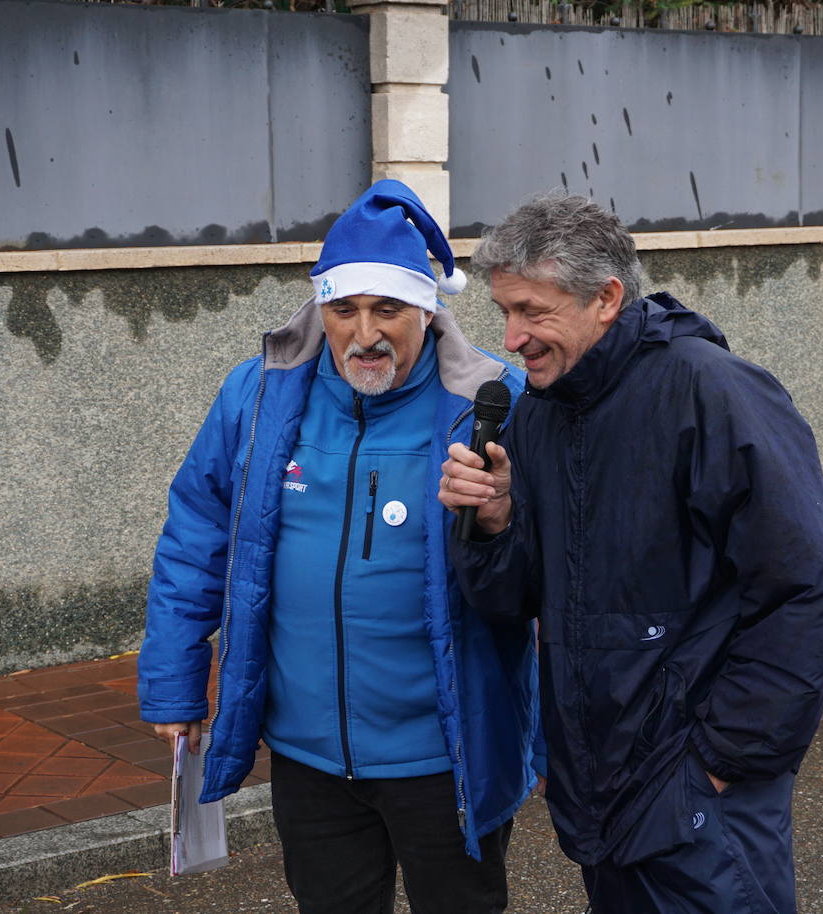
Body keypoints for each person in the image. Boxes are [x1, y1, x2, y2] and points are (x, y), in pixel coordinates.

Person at [138, 180, 539, 914]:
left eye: (387, 308)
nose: (364, 334)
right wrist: (174, 678)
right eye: (344, 309)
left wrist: (500, 520)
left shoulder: (494, 403)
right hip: (308, 753)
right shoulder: (258, 394)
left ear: (427, 306)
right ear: (318, 306)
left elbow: (543, 570)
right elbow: (196, 533)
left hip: (442, 752)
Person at [438, 192, 823, 914]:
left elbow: (800, 591)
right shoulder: (540, 414)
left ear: (607, 299)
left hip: (698, 796)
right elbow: (515, 599)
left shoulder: (709, 391)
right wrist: (495, 522)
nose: (514, 335)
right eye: (504, 312)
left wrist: (719, 764)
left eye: (533, 310)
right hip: (600, 789)